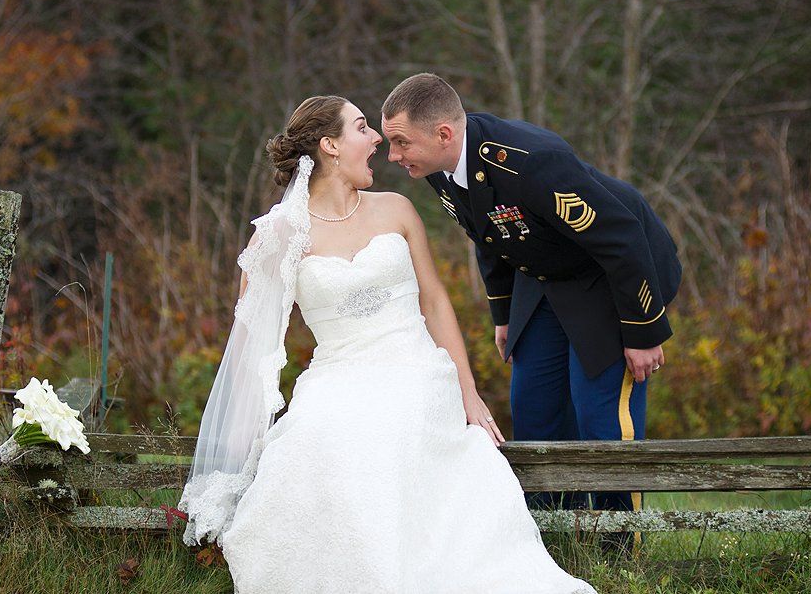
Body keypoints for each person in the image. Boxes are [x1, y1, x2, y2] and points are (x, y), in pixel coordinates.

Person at [178, 95, 595, 594]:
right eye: (362, 129)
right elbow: (250, 345)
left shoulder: (396, 209)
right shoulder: (278, 236)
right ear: (330, 146)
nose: (377, 139)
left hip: (417, 370)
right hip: (337, 374)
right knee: (323, 434)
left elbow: (436, 303)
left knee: (392, 422)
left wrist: (468, 391)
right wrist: (247, 436)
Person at [381, 73, 682, 521]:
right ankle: (552, 531)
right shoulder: (439, 169)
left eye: (401, 143)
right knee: (532, 405)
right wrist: (503, 314)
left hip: (606, 277)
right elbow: (488, 236)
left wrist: (643, 332)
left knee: (598, 412)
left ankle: (621, 542)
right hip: (542, 280)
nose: (393, 156)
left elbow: (622, 239)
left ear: (443, 134)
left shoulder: (531, 161)